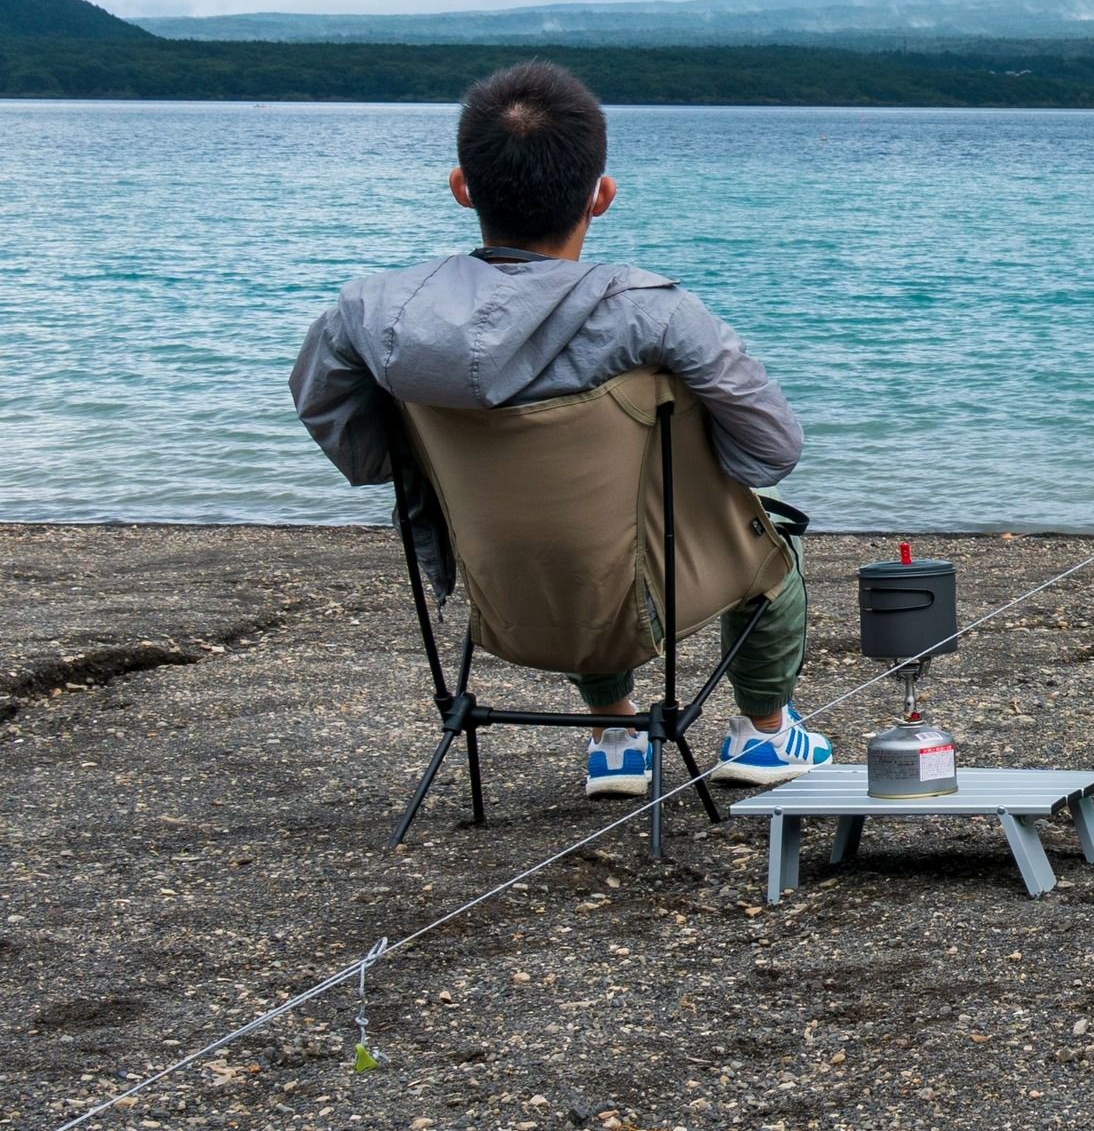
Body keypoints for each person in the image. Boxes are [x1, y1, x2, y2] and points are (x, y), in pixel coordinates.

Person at [290, 62, 836, 795]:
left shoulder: (367, 313)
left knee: (577, 548)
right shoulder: (653, 311)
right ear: (600, 196)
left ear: (462, 186)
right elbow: (772, 453)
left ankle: (615, 735)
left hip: (500, 582)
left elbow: (360, 452)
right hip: (642, 582)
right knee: (772, 543)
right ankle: (765, 737)